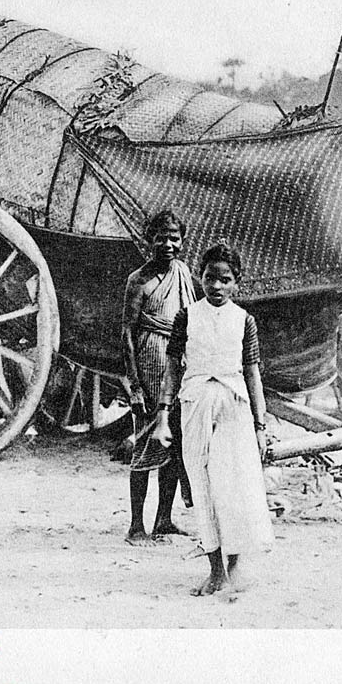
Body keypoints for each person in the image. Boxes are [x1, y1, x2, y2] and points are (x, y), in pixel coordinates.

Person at [153, 243, 273, 595]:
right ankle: (215, 569)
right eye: (210, 278)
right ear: (199, 278)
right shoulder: (186, 317)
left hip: (234, 408)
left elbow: (252, 374)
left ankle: (234, 566)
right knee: (203, 487)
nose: (216, 286)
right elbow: (172, 368)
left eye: (225, 280)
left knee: (233, 487)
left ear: (236, 283)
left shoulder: (244, 321)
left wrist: (261, 426)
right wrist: (162, 417)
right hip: (195, 406)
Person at [121, 210, 195, 545]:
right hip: (150, 361)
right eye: (160, 237)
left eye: (174, 237)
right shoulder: (139, 280)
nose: (167, 244)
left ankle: (163, 518)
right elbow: (126, 334)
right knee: (146, 443)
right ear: (148, 240)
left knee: (174, 442)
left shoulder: (183, 272)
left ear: (183, 240)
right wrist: (134, 387)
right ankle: (136, 525)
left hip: (178, 362)